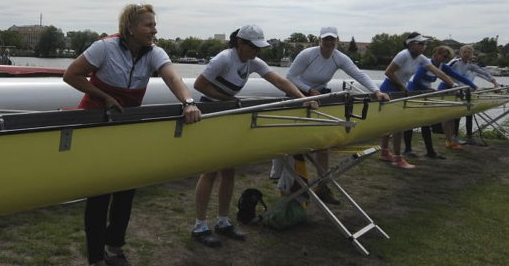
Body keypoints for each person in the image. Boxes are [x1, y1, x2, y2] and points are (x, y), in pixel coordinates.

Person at [62, 4, 201, 266]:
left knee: (126, 190)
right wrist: (106, 97)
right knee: (99, 196)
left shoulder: (153, 52)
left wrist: (188, 101)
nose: (154, 29)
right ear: (130, 28)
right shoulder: (104, 48)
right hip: (97, 125)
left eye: (154, 24)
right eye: (149, 25)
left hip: (125, 127)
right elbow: (71, 75)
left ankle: (114, 251)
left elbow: (172, 76)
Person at [191, 25, 315, 246]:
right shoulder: (224, 58)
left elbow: (279, 81)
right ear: (240, 43)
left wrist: (301, 98)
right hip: (211, 113)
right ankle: (200, 226)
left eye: (259, 48)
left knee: (229, 171)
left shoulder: (253, 63)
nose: (256, 52)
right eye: (253, 47)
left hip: (228, 114)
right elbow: (200, 85)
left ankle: (223, 222)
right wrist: (223, 99)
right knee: (209, 172)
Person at [285, 26, 390, 201]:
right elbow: (290, 77)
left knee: (323, 144)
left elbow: (359, 75)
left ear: (337, 40)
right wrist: (308, 90)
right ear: (320, 40)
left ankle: (322, 186)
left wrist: (376, 91)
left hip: (318, 98)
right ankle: (292, 186)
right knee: (294, 144)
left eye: (332, 39)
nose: (329, 42)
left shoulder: (339, 57)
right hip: (295, 94)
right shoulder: (307, 54)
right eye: (326, 39)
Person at [377, 34, 454, 168]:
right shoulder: (403, 55)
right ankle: (397, 158)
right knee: (398, 125)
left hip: (401, 90)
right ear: (411, 44)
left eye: (424, 44)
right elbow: (388, 72)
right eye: (420, 43)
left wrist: (453, 85)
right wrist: (401, 85)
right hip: (390, 89)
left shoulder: (421, 58)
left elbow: (438, 73)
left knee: (392, 125)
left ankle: (384, 153)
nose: (423, 46)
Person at [447, 44, 501, 141]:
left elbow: (483, 73)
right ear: (460, 53)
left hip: (466, 91)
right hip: (454, 91)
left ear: (471, 54)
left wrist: (495, 82)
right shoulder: (455, 62)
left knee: (469, 113)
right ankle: (454, 136)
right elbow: (444, 70)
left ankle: (469, 136)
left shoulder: (471, 66)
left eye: (469, 52)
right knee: (457, 115)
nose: (466, 54)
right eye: (464, 52)